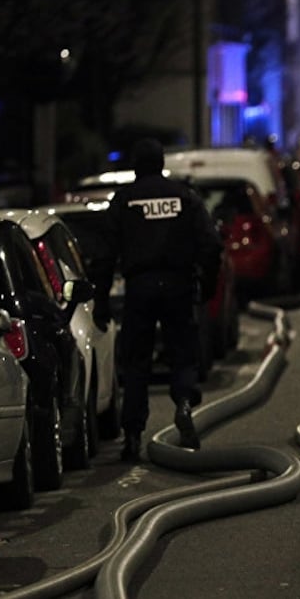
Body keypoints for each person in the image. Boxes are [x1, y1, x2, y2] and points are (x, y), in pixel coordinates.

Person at [94, 138, 222, 462]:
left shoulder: (124, 201)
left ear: (136, 166)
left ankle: (133, 435)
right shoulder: (184, 198)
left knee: (136, 361)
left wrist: (100, 300)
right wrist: (207, 285)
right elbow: (211, 244)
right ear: (162, 163)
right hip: (179, 285)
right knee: (183, 352)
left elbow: (105, 255)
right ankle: (183, 403)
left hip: (140, 287)